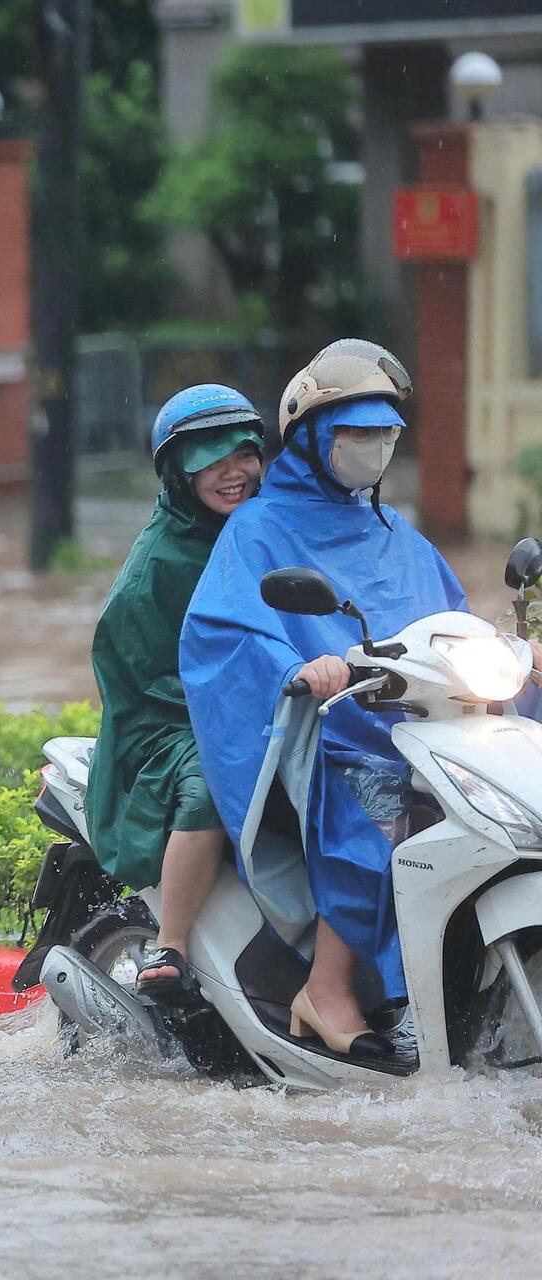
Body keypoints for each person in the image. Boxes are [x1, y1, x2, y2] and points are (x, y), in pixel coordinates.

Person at [182, 339, 542, 1061]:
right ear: (315, 437)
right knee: (377, 822)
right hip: (335, 733)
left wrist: (515, 652)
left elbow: (450, 623)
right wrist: (298, 664)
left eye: (386, 435)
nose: (375, 448)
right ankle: (329, 988)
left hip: (421, 725)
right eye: (358, 434)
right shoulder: (259, 528)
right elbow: (227, 630)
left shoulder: (392, 530)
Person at [84, 385, 265, 1001]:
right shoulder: (154, 566)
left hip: (267, 707)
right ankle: (175, 941)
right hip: (169, 723)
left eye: (242, 455)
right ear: (177, 473)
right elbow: (141, 676)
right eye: (211, 463)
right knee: (215, 783)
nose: (232, 474)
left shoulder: (266, 531)